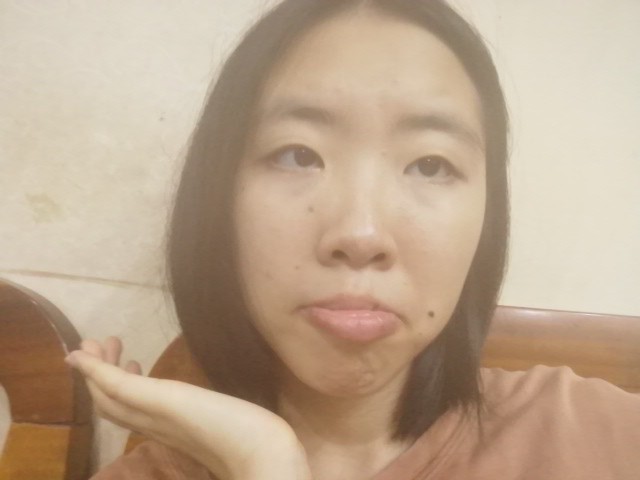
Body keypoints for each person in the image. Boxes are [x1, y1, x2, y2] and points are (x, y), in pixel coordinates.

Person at [65, 0, 640, 479]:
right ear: (218, 197)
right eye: (297, 155)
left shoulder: (600, 438)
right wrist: (263, 461)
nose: (361, 234)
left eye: (431, 165)